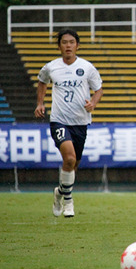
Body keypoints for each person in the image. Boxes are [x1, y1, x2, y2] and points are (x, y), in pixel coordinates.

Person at [34, 28, 103, 218]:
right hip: (59, 121)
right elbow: (42, 81)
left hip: (80, 122)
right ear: (59, 46)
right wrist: (40, 103)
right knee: (70, 158)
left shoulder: (87, 67)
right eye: (64, 42)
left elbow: (98, 89)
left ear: (77, 45)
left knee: (73, 164)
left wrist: (93, 103)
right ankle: (69, 201)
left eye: (71, 42)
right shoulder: (51, 67)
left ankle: (59, 193)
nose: (68, 46)